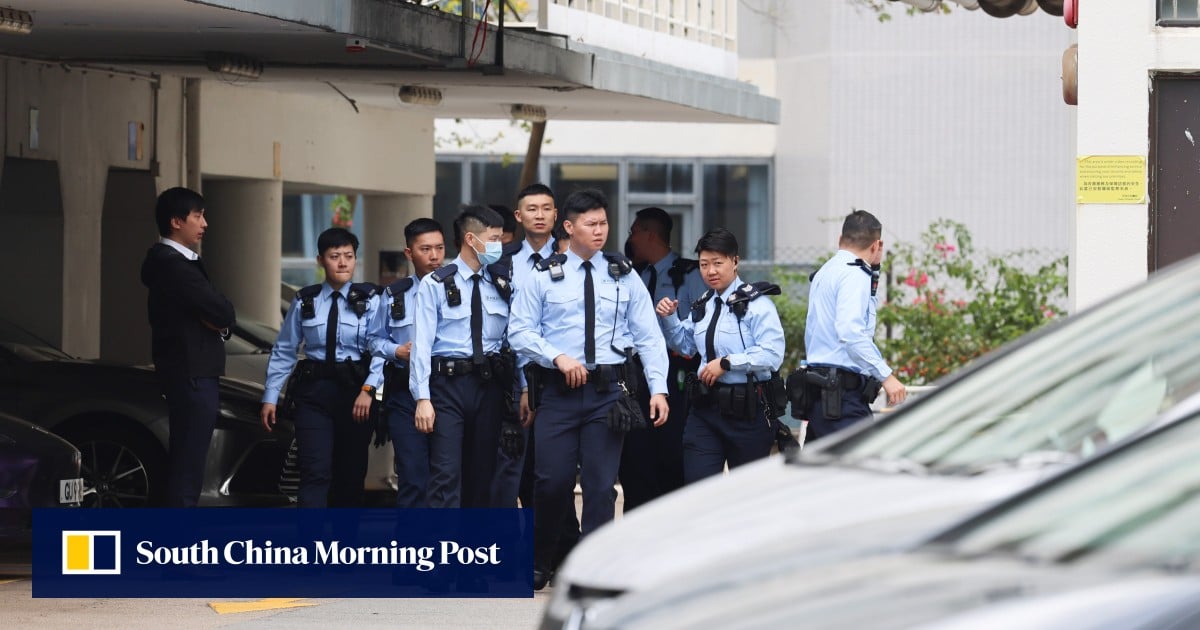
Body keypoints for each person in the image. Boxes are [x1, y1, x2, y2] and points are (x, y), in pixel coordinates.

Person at [508, 188, 670, 590]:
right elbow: (520, 332)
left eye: (604, 223)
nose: (599, 231)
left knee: (600, 486)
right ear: (569, 227)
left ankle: (593, 568)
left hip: (608, 393)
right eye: (590, 224)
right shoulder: (541, 276)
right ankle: (541, 558)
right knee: (552, 482)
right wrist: (556, 357)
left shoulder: (623, 273)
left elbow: (648, 336)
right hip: (559, 393)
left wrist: (658, 388)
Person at [261, 227, 383, 508]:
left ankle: (344, 549)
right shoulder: (305, 300)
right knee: (314, 472)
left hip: (357, 394)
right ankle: (310, 548)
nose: (343, 262)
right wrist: (270, 396)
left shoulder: (372, 300)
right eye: (334, 256)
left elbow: (381, 349)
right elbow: (284, 349)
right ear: (320, 260)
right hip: (314, 395)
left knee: (350, 477)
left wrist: (369, 389)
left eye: (349, 256)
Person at [655, 228, 786, 483]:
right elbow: (685, 346)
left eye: (718, 263)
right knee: (698, 488)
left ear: (735, 261)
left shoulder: (758, 305)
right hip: (706, 410)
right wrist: (669, 318)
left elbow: (772, 354)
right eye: (704, 265)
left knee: (746, 495)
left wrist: (727, 364)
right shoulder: (703, 305)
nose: (710, 271)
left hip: (748, 411)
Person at [409, 205, 512, 508]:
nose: (499, 246)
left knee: (483, 476)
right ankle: (445, 551)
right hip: (447, 388)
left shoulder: (502, 284)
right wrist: (422, 398)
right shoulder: (436, 283)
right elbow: (422, 346)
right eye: (493, 239)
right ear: (471, 239)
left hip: (489, 386)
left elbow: (511, 339)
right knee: (445, 475)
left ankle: (473, 549)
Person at [141, 186, 236, 508]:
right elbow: (223, 312)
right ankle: (179, 539)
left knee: (188, 458)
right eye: (198, 216)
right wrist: (218, 321)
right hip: (192, 371)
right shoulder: (175, 266)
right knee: (189, 461)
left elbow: (219, 317)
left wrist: (217, 322)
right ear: (176, 222)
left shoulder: (173, 263)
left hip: (189, 369)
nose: (204, 223)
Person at [622, 207, 708, 510]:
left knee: (672, 451)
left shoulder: (691, 274)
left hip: (677, 373)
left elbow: (704, 324)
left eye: (634, 232)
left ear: (648, 234)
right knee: (636, 452)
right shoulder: (632, 275)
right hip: (636, 372)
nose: (629, 239)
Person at [803, 209, 906, 441]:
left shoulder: (826, 271)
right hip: (842, 398)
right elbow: (851, 333)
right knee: (860, 469)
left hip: (823, 394)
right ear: (876, 245)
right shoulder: (854, 274)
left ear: (841, 239)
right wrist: (886, 377)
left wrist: (875, 269)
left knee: (820, 473)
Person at [367, 218, 445, 508]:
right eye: (426, 249)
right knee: (413, 476)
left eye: (439, 248)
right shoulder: (393, 295)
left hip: (447, 391)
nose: (434, 256)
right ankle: (413, 547)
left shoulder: (457, 291)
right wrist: (396, 350)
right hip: (405, 395)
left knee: (447, 476)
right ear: (409, 253)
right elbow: (373, 340)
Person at [492, 184, 558, 508]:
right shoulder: (501, 261)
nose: (540, 215)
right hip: (512, 380)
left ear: (556, 214)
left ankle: (549, 555)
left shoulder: (572, 258)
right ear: (518, 216)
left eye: (546, 208)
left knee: (550, 473)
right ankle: (502, 551)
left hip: (561, 377)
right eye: (532, 209)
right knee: (508, 469)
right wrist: (521, 387)